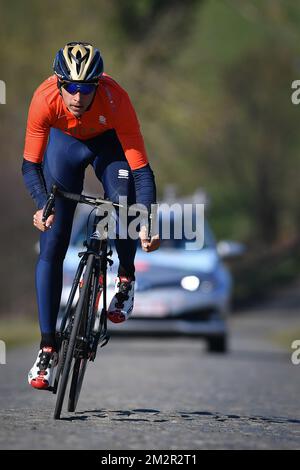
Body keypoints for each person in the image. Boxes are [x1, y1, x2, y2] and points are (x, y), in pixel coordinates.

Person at [22, 42, 159, 389]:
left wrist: (146, 220)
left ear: (98, 85)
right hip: (63, 146)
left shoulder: (116, 100)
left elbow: (142, 170)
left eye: (86, 88)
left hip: (108, 144)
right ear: (58, 83)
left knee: (124, 200)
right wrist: (41, 204)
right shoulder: (43, 100)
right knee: (52, 242)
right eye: (70, 86)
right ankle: (48, 347)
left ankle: (125, 279)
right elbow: (30, 164)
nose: (78, 95)